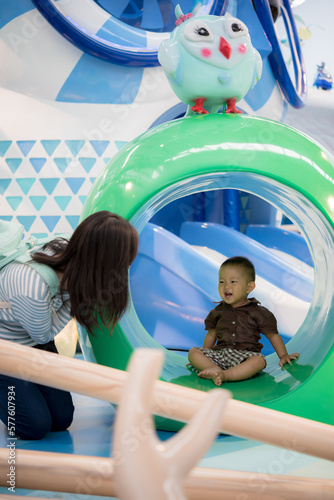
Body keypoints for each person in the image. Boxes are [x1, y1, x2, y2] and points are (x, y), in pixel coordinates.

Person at [0, 211, 139, 439]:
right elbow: (43, 335)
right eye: (123, 262)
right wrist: (76, 297)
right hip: (6, 349)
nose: (125, 269)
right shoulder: (31, 282)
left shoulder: (76, 254)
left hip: (33, 345)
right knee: (32, 427)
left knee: (61, 419)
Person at [188, 256, 299, 386]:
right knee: (193, 352)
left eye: (233, 282)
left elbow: (273, 335)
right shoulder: (217, 311)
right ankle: (213, 369)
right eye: (222, 282)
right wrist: (204, 357)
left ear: (249, 287)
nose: (226, 286)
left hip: (245, 358)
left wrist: (283, 356)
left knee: (259, 361)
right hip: (220, 355)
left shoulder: (259, 313)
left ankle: (225, 375)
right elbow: (211, 334)